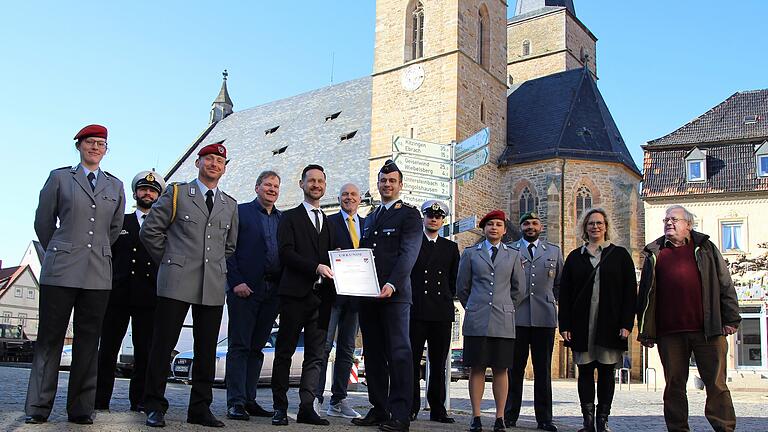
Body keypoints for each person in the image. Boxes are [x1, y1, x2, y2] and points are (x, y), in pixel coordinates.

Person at [25, 125, 125, 425]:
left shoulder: (115, 185)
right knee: (50, 340)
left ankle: (81, 408)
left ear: (106, 150)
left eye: (101, 144)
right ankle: (38, 407)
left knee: (88, 341)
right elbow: (43, 222)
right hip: (61, 270)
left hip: (97, 273)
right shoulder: (60, 178)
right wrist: (60, 246)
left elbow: (114, 228)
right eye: (90, 142)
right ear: (79, 146)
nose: (96, 148)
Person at [140, 141, 238, 428]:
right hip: (176, 281)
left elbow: (229, 246)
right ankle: (154, 405)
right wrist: (171, 261)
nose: (214, 165)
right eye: (209, 160)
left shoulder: (229, 204)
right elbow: (150, 231)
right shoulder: (178, 193)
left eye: (219, 162)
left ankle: (200, 409)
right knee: (163, 345)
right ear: (198, 163)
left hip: (211, 284)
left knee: (206, 349)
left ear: (224, 168)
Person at [637, 205, 739, 432]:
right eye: (666, 220)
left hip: (708, 330)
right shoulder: (655, 252)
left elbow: (725, 282)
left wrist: (731, 317)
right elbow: (645, 295)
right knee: (674, 386)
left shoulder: (706, 248)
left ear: (688, 225)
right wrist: (646, 331)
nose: (668, 223)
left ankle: (724, 427)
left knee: (716, 384)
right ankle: (677, 428)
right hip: (669, 333)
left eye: (674, 219)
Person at [353, 160, 422, 432]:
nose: (387, 184)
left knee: (399, 354)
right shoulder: (370, 217)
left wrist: (393, 284)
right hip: (368, 295)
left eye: (392, 181)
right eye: (383, 180)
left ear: (400, 185)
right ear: (378, 184)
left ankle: (401, 414)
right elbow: (362, 255)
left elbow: (409, 254)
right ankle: (379, 408)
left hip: (395, 295)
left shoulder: (409, 215)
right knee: (373, 354)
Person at [558, 208, 636, 432]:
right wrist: (565, 326)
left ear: (606, 226)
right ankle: (588, 421)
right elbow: (565, 294)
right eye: (591, 223)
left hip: (610, 324)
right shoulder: (575, 256)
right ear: (585, 227)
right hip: (582, 324)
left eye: (599, 223)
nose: (595, 227)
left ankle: (603, 420)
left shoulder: (620, 255)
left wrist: (626, 324)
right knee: (584, 371)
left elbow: (630, 293)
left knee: (606, 372)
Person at [271, 164, 336, 427]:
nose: (316, 185)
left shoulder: (329, 222)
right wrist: (315, 267)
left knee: (315, 355)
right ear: (301, 184)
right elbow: (285, 253)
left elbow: (335, 257)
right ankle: (279, 407)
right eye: (312, 181)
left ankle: (307, 407)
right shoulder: (289, 217)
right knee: (284, 351)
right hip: (294, 295)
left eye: (321, 181)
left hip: (322, 299)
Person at [95, 170, 165, 412]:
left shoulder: (164, 226)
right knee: (108, 349)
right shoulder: (120, 222)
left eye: (153, 190)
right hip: (118, 293)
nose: (148, 193)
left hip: (149, 294)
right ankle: (99, 399)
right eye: (144, 189)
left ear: (159, 196)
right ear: (136, 193)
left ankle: (140, 400)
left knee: (145, 350)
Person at [456, 210, 525, 432]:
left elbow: (519, 289)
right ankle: (476, 416)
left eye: (498, 225)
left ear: (504, 230)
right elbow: (462, 287)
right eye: (489, 225)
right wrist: (475, 306)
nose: (494, 228)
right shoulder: (471, 254)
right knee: (476, 368)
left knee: (501, 369)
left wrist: (506, 307)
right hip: (477, 318)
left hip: (503, 320)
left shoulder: (513, 255)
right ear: (484, 229)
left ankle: (499, 417)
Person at [224, 170, 282, 421]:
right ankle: (235, 402)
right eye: (267, 185)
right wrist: (236, 281)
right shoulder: (240, 212)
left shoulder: (282, 218)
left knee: (258, 348)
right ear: (256, 187)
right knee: (239, 346)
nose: (271, 189)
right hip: (245, 289)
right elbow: (228, 249)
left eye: (275, 186)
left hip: (272, 291)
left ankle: (249, 399)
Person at [505, 211, 563, 431]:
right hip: (517, 318)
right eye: (526, 223)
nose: (530, 227)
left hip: (544, 318)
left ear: (541, 226)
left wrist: (553, 303)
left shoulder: (553, 251)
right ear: (521, 227)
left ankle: (545, 418)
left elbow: (559, 284)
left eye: (534, 223)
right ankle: (510, 415)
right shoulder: (510, 250)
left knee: (543, 371)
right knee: (514, 370)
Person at [315, 183, 365, 419]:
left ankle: (339, 400)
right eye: (345, 194)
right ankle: (316, 397)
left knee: (347, 349)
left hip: (356, 297)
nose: (349, 198)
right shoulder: (329, 221)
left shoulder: (367, 224)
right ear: (338, 198)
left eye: (353, 195)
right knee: (323, 347)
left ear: (360, 199)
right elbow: (319, 252)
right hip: (332, 295)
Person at [408, 200, 459, 424]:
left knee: (438, 363)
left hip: (440, 312)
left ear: (443, 221)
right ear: (424, 218)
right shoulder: (413, 243)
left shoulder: (450, 247)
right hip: (417, 309)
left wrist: (448, 297)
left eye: (438, 217)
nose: (434, 219)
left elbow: (454, 279)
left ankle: (438, 407)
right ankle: (410, 406)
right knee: (411, 362)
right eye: (430, 215)